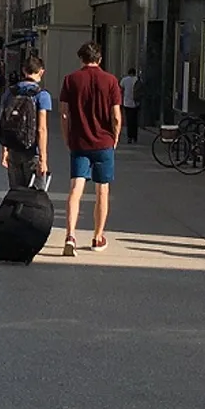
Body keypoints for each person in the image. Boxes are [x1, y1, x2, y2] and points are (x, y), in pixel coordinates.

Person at [59, 42, 123, 257]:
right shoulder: (111, 81)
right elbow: (115, 115)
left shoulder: (71, 80)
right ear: (100, 59)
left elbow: (64, 113)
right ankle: (98, 236)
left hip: (79, 142)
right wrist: (115, 137)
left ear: (81, 59)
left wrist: (67, 137)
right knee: (102, 190)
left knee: (75, 189)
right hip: (104, 143)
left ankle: (70, 235)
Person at [0, 55, 51, 188]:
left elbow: (6, 122)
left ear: (23, 70)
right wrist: (43, 159)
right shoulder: (42, 95)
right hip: (32, 151)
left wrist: (5, 150)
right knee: (35, 196)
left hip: (13, 149)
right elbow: (41, 129)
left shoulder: (10, 92)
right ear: (41, 71)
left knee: (16, 192)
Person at [119, 68, 142, 144]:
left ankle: (129, 137)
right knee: (135, 121)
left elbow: (121, 89)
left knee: (129, 121)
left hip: (127, 103)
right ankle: (135, 137)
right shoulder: (137, 80)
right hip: (136, 103)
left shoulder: (125, 80)